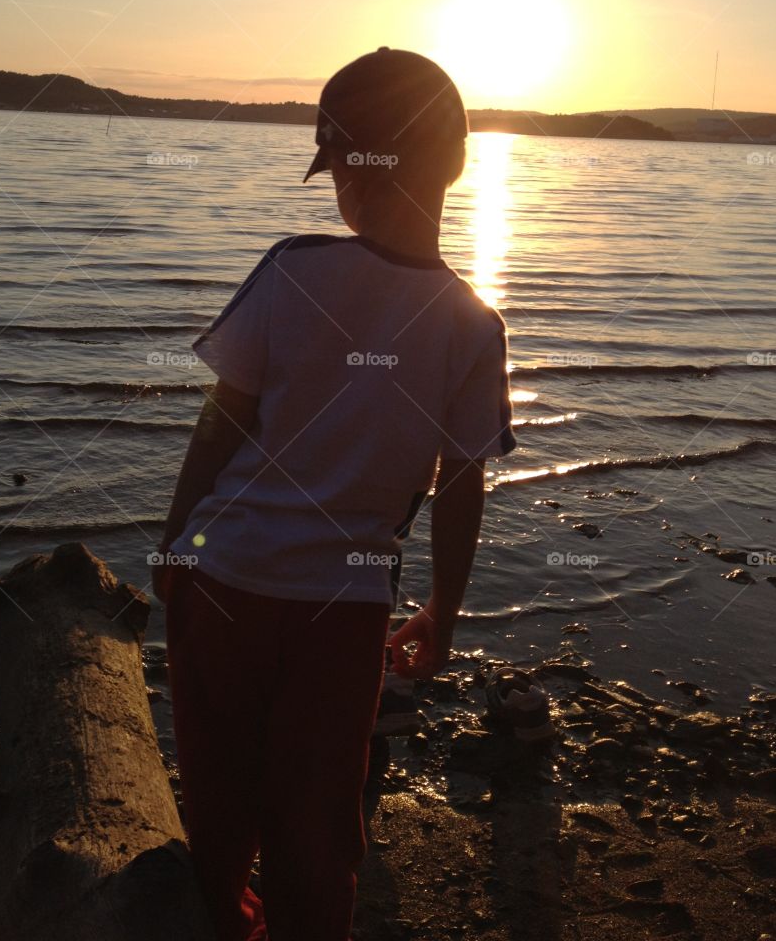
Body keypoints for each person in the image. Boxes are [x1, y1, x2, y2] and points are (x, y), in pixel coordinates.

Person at [154, 47, 515, 940]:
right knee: (317, 818)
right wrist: (444, 610)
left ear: (347, 172)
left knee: (219, 795)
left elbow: (222, 424)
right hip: (344, 609)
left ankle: (223, 918)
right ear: (455, 162)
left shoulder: (293, 269)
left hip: (223, 578)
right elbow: (460, 486)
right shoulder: (474, 325)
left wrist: (175, 543)